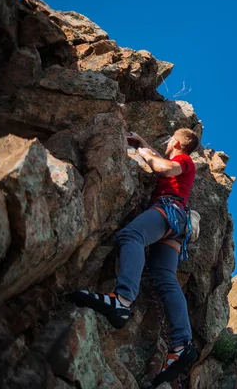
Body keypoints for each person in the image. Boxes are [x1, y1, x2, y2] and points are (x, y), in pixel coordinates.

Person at [70, 128, 199, 386]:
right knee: (165, 277)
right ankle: (181, 344)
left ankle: (123, 299)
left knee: (132, 236)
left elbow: (166, 168)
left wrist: (143, 153)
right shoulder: (178, 160)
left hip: (168, 210)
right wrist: (142, 142)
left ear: (175, 142)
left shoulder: (183, 160)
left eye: (168, 139)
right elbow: (161, 160)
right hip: (177, 225)